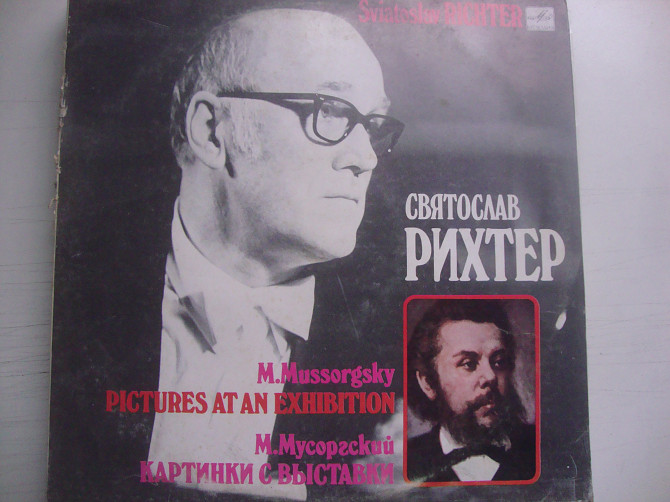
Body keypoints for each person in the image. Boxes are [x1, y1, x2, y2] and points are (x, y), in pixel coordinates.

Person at [147, 7, 403, 498]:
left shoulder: (394, 354)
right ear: (212, 131)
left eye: (371, 124)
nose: (366, 158)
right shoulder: (77, 296)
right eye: (331, 110)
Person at [406, 300, 536, 483]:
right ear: (428, 383)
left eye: (499, 361)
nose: (490, 376)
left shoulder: (541, 447)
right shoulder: (406, 460)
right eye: (468, 364)